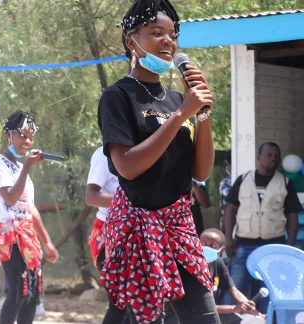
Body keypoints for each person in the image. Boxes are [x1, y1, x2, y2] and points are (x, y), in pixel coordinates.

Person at [97, 0, 220, 322]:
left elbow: (201, 171)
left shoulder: (180, 98)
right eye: (156, 33)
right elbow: (127, 167)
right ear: (131, 42)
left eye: (172, 34)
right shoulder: (118, 96)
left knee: (205, 317)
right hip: (138, 231)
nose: (168, 41)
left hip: (179, 227)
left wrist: (202, 115)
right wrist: (180, 116)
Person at [0, 110, 59, 324]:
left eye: (31, 137)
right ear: (9, 134)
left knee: (33, 292)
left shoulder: (20, 168)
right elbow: (10, 198)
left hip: (27, 234)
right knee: (19, 289)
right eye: (23, 135)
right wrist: (27, 168)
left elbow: (30, 208)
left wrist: (47, 242)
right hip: (8, 234)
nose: (27, 141)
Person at [223, 142, 301, 313]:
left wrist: (289, 245)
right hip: (243, 245)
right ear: (259, 158)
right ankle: (233, 320)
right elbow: (230, 210)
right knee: (236, 289)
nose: (273, 158)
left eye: (276, 156)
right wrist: (228, 239)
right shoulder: (243, 180)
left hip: (273, 247)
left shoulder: (285, 183)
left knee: (269, 290)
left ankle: (264, 319)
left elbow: (293, 216)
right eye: (269, 155)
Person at [164, 229, 265, 324]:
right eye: (203, 243)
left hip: (210, 314)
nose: (206, 248)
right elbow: (199, 306)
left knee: (250, 320)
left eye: (212, 245)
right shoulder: (187, 265)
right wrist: (234, 308)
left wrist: (250, 308)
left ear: (221, 250)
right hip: (181, 317)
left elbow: (233, 290)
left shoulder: (218, 263)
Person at [85, 146, 130, 324]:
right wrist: (133, 201)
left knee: (136, 304)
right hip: (108, 235)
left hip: (138, 233)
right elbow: (91, 196)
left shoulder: (145, 149)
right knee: (120, 304)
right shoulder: (104, 154)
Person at [219, 151, 232, 232]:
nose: (226, 168)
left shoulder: (225, 183)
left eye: (227, 164)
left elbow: (224, 208)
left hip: (229, 225)